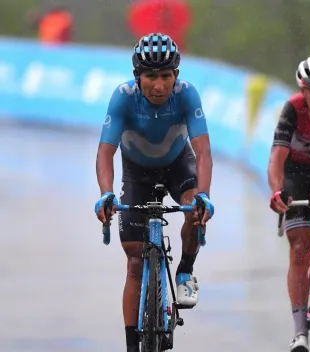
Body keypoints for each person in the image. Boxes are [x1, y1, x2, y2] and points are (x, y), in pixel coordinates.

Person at [93, 33, 215, 352]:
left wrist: (204, 195)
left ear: (177, 75)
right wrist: (106, 194)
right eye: (150, 76)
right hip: (137, 172)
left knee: (195, 208)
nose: (159, 86)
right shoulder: (122, 97)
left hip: (178, 165)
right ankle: (133, 345)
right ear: (138, 77)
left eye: (166, 76)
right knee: (135, 261)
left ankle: (186, 269)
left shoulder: (188, 95)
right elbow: (105, 152)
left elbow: (203, 152)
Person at [268, 54, 310, 352]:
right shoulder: (292, 109)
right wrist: (277, 192)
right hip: (298, 174)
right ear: (303, 90)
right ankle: (300, 331)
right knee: (300, 248)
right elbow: (276, 159)